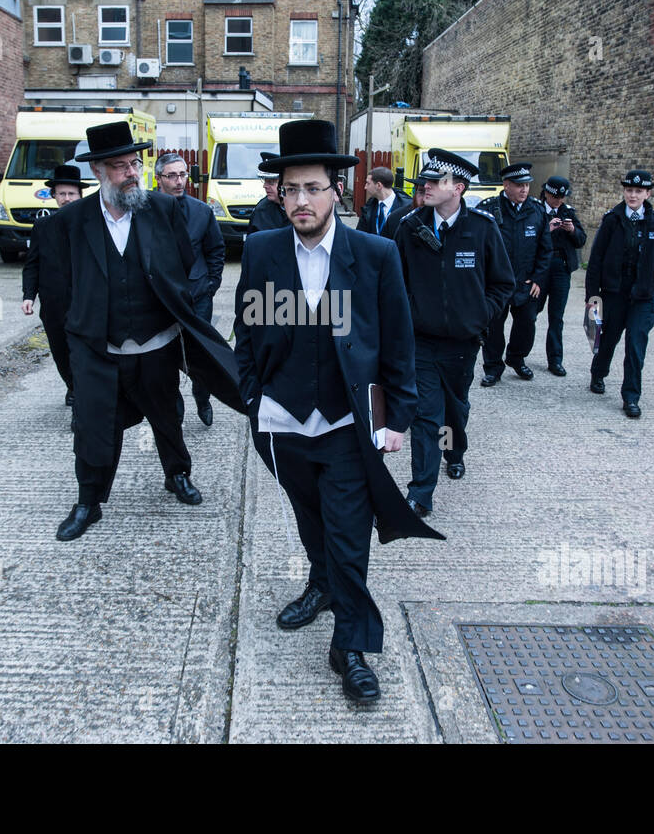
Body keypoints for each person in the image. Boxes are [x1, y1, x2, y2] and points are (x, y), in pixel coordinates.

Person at [234, 119, 443, 704]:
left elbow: (398, 342)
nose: (301, 201)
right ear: (279, 193)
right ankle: (320, 582)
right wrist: (252, 398)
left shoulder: (375, 256)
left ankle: (350, 644)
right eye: (290, 189)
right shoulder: (261, 250)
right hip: (282, 423)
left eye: (313, 188)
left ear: (335, 192)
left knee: (350, 534)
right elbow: (247, 332)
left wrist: (397, 419)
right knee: (312, 520)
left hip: (350, 424)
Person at [55, 121, 245, 542]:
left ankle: (177, 475)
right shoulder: (69, 222)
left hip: (156, 345)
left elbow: (183, 262)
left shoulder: (163, 209)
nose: (131, 173)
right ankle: (89, 500)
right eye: (119, 166)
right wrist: (71, 364)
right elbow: (58, 299)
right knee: (94, 425)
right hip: (100, 351)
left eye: (134, 164)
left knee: (167, 417)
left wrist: (183, 300)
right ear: (98, 172)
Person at [393, 149, 513, 518]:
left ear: (457, 188)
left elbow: (502, 283)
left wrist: (479, 315)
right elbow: (394, 282)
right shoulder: (409, 227)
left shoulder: (482, 227)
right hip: (422, 342)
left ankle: (455, 450)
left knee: (454, 409)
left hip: (463, 344)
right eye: (424, 180)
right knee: (426, 415)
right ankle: (421, 492)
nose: (424, 186)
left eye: (435, 181)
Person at [585, 169, 654, 419]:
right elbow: (596, 259)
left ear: (647, 193)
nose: (633, 195)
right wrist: (592, 296)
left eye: (638, 191)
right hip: (615, 293)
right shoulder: (612, 220)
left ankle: (631, 397)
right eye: (629, 190)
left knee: (635, 345)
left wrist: (648, 279)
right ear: (624, 191)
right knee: (609, 339)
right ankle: (598, 373)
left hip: (643, 296)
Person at [156, 152, 225, 427]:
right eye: (171, 175)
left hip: (198, 296)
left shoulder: (202, 211)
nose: (179, 181)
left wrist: (211, 285)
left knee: (200, 353)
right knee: (165, 355)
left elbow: (216, 250)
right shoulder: (145, 210)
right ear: (159, 178)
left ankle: (203, 397)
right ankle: (174, 406)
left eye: (183, 174)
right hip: (161, 298)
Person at [477, 162, 552, 385]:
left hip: (526, 282)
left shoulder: (537, 210)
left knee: (527, 323)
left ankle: (516, 358)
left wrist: (538, 278)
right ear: (506, 185)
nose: (524, 190)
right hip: (496, 284)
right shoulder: (488, 209)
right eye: (519, 185)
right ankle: (492, 367)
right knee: (493, 327)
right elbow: (478, 247)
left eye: (527, 185)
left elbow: (546, 249)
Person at [21, 164, 88, 406]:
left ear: (80, 196)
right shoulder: (43, 226)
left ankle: (81, 402)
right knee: (61, 354)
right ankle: (72, 386)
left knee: (82, 354)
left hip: (84, 303)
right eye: (62, 194)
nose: (67, 198)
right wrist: (28, 295)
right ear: (54, 196)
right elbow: (32, 264)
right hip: (54, 305)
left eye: (71, 194)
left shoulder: (91, 225)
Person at [538, 176, 587, 376]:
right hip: (540, 268)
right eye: (554, 197)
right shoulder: (536, 211)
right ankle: (519, 355)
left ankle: (555, 360)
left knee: (556, 317)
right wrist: (547, 230)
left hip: (561, 267)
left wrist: (572, 230)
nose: (558, 201)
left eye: (561, 197)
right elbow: (528, 239)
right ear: (546, 194)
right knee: (528, 313)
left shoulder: (568, 213)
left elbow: (581, 241)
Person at [356, 166, 407, 236]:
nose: (365, 187)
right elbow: (359, 236)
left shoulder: (405, 208)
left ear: (379, 185)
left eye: (368, 183)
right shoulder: (368, 207)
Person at [246, 153, 289, 235]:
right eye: (265, 181)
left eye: (271, 182)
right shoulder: (262, 210)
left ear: (285, 183)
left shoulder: (299, 206)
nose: (265, 186)